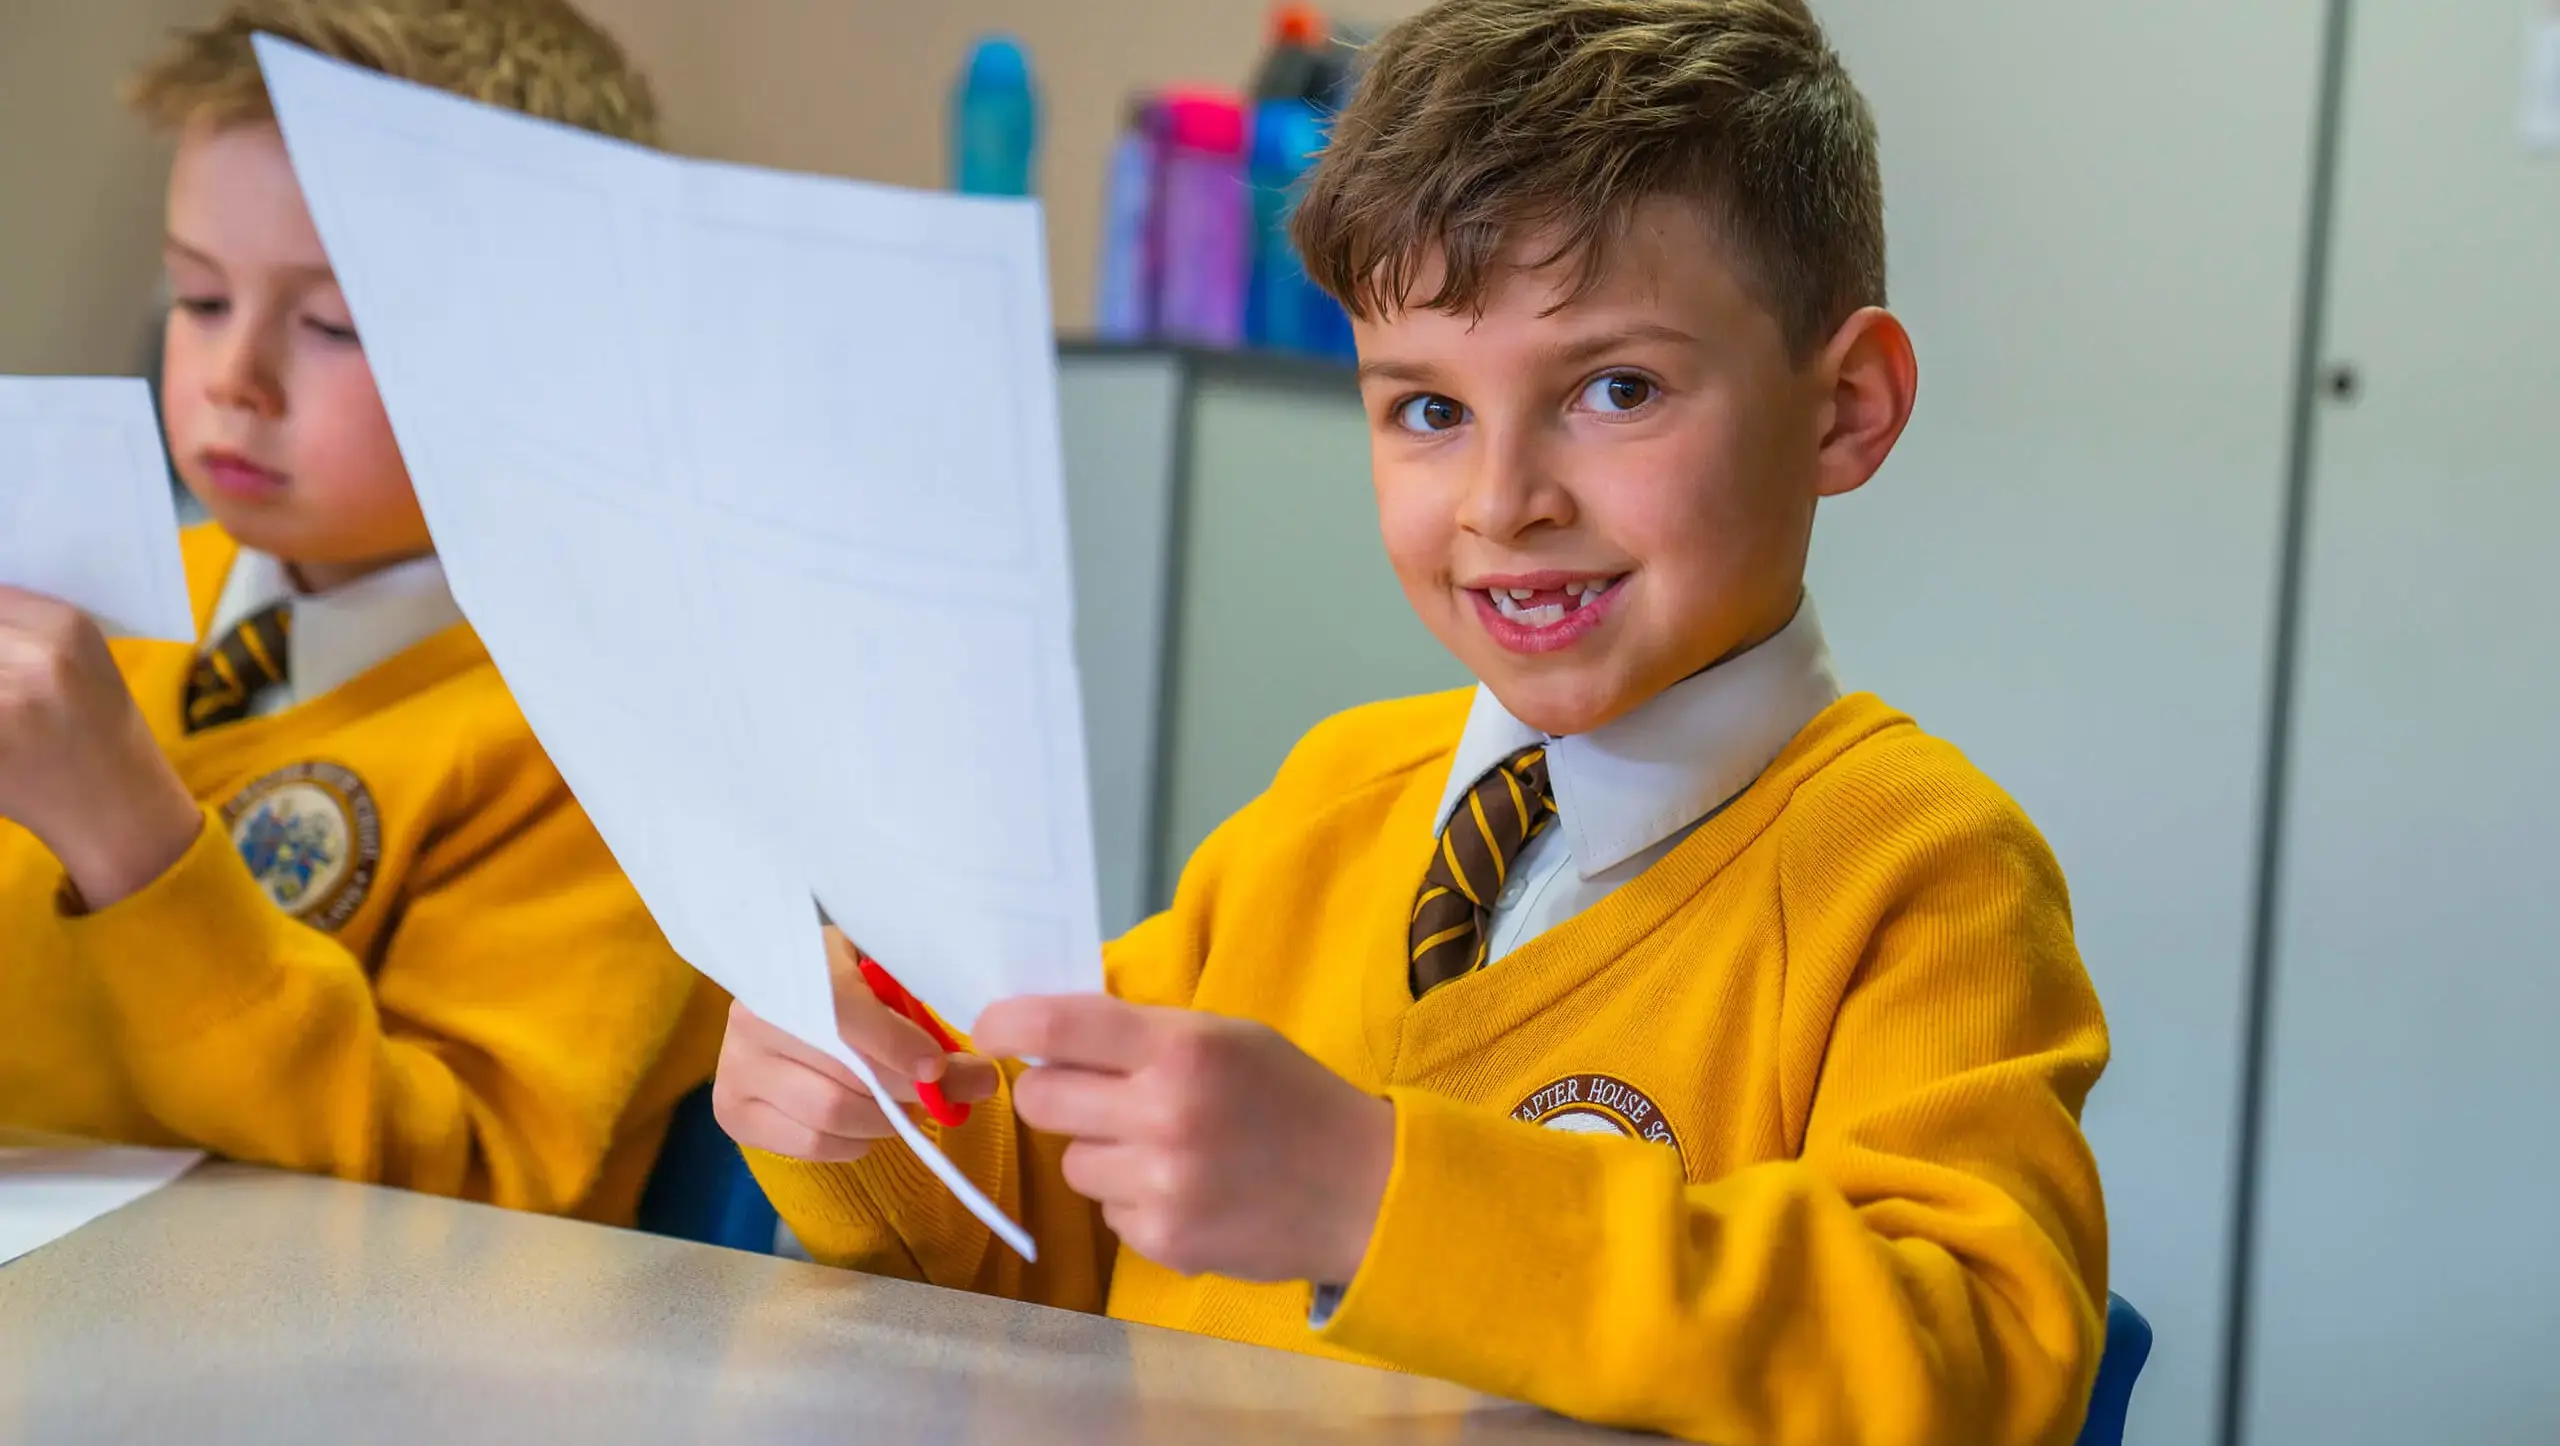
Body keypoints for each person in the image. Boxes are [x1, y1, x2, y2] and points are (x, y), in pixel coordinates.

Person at [714, 1, 2109, 1440]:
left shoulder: (1923, 872)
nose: (1504, 501)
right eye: (1428, 410)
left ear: (1845, 408)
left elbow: (1984, 1355)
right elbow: (1055, 1234)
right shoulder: (1331, 798)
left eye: (1615, 388)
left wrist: (1379, 1197)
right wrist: (880, 1109)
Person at [0, 0, 723, 1228]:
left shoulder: (614, 742)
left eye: (334, 323)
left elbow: (471, 1199)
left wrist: (132, 840)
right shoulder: (94, 600)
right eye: (199, 298)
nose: (235, 377)